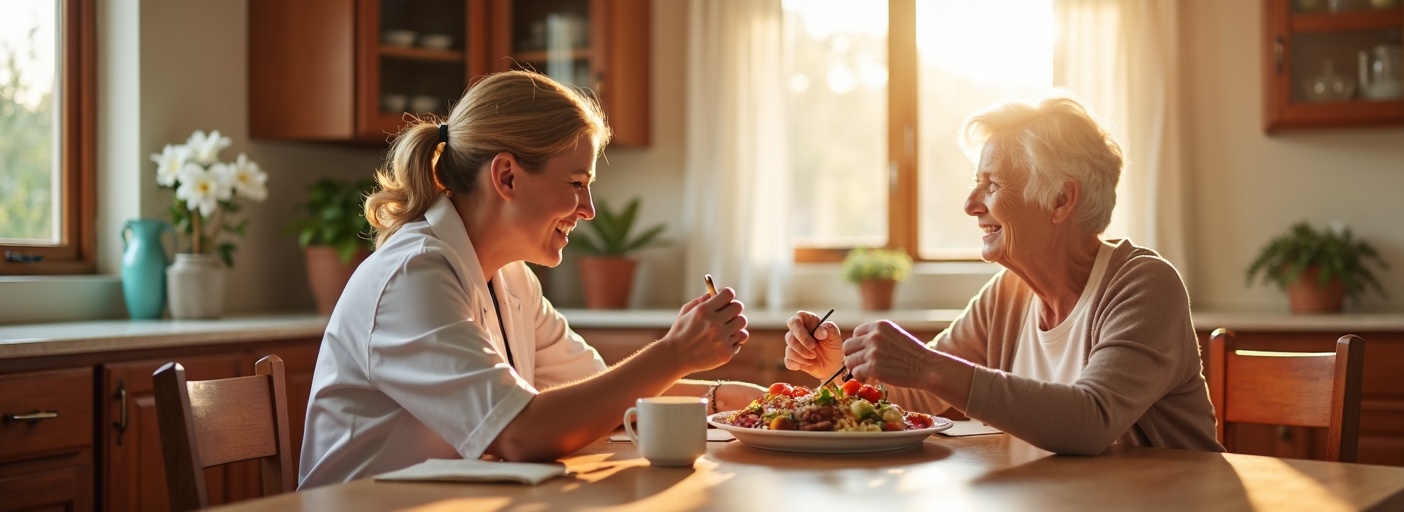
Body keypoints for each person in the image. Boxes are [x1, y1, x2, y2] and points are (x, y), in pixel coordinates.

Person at [299, 70, 762, 489]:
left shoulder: (511, 278)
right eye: (576, 183)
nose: (588, 209)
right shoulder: (412, 276)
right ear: (507, 177)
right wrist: (675, 352)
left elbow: (599, 394)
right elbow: (520, 433)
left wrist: (728, 399)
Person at [783, 93, 1222, 455]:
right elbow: (916, 397)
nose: (971, 204)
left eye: (992, 184)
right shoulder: (1008, 295)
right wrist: (839, 366)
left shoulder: (1143, 285)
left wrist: (925, 364)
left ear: (1060, 201)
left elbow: (1091, 420)